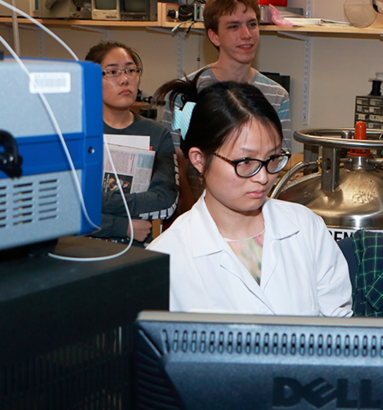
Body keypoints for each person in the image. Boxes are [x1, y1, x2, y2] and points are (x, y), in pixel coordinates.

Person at [149, 79, 351, 316]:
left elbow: (338, 327)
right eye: (245, 162)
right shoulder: (167, 257)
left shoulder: (306, 228)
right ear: (199, 159)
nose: (264, 177)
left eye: (273, 158)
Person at [162, 0, 291, 214]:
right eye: (233, 26)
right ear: (214, 36)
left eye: (252, 24)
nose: (246, 34)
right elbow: (175, 158)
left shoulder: (277, 96)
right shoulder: (188, 93)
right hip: (194, 209)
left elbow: (278, 159)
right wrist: (190, 211)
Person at [85, 41, 178, 246]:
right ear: (91, 80)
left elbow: (166, 202)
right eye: (112, 72)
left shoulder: (157, 133)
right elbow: (65, 208)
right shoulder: (78, 133)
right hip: (82, 250)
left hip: (137, 252)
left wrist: (96, 203)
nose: (125, 79)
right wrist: (123, 226)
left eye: (130, 70)